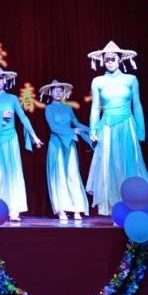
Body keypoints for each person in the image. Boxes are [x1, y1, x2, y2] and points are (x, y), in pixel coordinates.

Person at [85, 41, 148, 215]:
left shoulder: (131, 79)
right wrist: (92, 130)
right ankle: (115, 208)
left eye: (113, 59)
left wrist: (141, 131)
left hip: (127, 125)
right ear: (103, 61)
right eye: (107, 59)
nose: (109, 62)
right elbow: (95, 107)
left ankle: (135, 203)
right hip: (107, 127)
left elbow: (137, 105)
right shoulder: (98, 81)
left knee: (131, 163)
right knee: (111, 165)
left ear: (120, 59)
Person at [0, 65, 43, 221]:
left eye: (0, 78)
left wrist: (33, 135)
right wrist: (0, 114)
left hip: (11, 138)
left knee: (13, 172)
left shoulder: (12, 98)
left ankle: (14, 210)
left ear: (5, 80)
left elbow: (23, 117)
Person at [40, 79, 91, 223]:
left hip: (70, 143)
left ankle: (76, 208)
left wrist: (92, 130)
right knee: (59, 176)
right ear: (50, 93)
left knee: (73, 174)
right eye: (55, 90)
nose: (58, 92)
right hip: (56, 144)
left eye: (60, 90)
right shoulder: (49, 108)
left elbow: (77, 124)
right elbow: (54, 127)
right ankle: (61, 209)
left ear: (64, 92)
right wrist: (72, 131)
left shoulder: (68, 108)